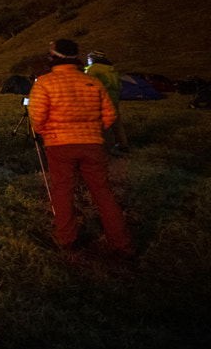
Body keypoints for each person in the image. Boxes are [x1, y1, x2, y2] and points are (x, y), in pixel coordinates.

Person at [29, 39, 133, 258]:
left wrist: (49, 132)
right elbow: (110, 116)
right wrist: (92, 129)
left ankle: (67, 240)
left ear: (53, 57)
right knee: (103, 193)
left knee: (63, 192)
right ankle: (121, 244)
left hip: (60, 146)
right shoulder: (93, 82)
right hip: (93, 145)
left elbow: (37, 121)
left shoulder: (44, 83)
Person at [85, 50, 129, 153]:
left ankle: (108, 148)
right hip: (114, 99)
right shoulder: (112, 69)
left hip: (101, 100)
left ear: (93, 58)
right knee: (117, 124)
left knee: (104, 126)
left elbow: (88, 84)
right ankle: (123, 145)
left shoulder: (93, 70)